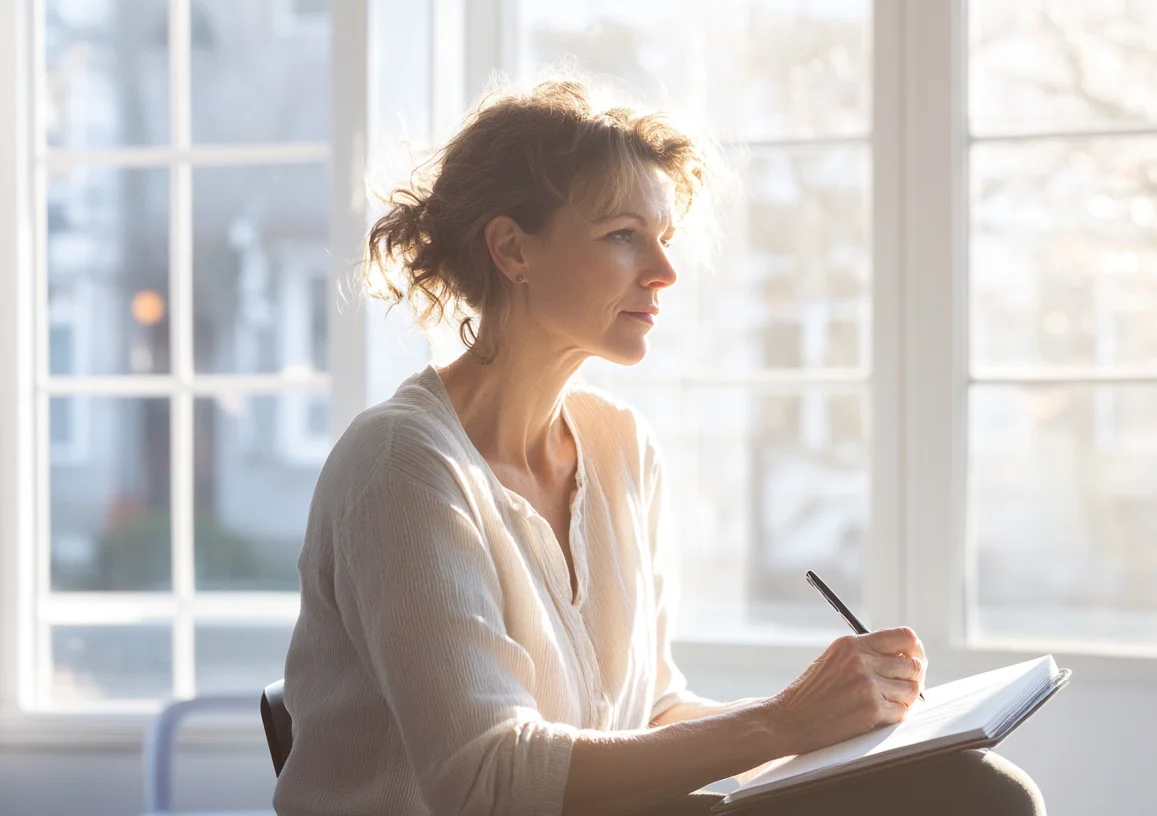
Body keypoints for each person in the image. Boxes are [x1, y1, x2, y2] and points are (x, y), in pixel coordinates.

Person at [273, 78, 1044, 816]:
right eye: (623, 237)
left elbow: (651, 711)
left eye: (665, 238)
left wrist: (838, 723)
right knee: (977, 803)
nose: (666, 272)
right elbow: (486, 782)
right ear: (512, 249)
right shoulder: (401, 468)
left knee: (969, 786)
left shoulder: (619, 448)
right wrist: (785, 722)